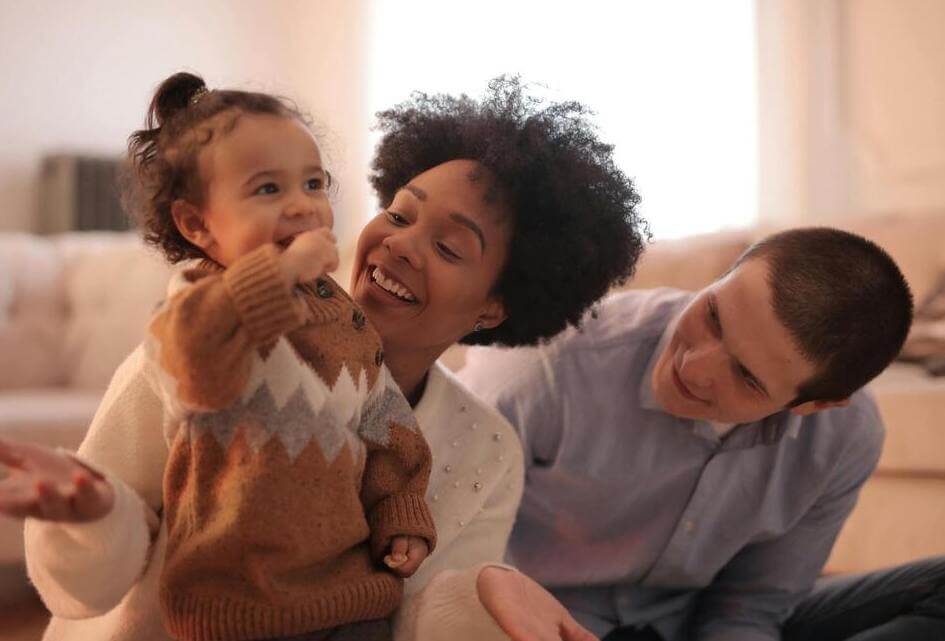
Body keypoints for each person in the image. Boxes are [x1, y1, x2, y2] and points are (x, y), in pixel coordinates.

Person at [0, 76, 647, 641]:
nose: (399, 246)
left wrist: (486, 590)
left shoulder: (488, 450)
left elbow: (415, 619)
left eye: (449, 248)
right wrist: (92, 515)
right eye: (399, 215)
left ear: (494, 306)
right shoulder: (210, 337)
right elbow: (78, 593)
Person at [6, 71, 439, 641]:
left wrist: (400, 514)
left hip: (352, 603)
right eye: (268, 190)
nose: (303, 206)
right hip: (234, 612)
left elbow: (388, 427)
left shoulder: (344, 320)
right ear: (197, 224)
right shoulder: (196, 308)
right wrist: (281, 272)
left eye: (314, 183)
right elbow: (195, 363)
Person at [460, 227, 945, 641]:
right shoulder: (543, 366)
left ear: (814, 405)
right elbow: (440, 555)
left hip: (691, 621)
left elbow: (752, 607)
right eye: (714, 316)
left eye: (746, 377)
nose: (693, 367)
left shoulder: (844, 437)